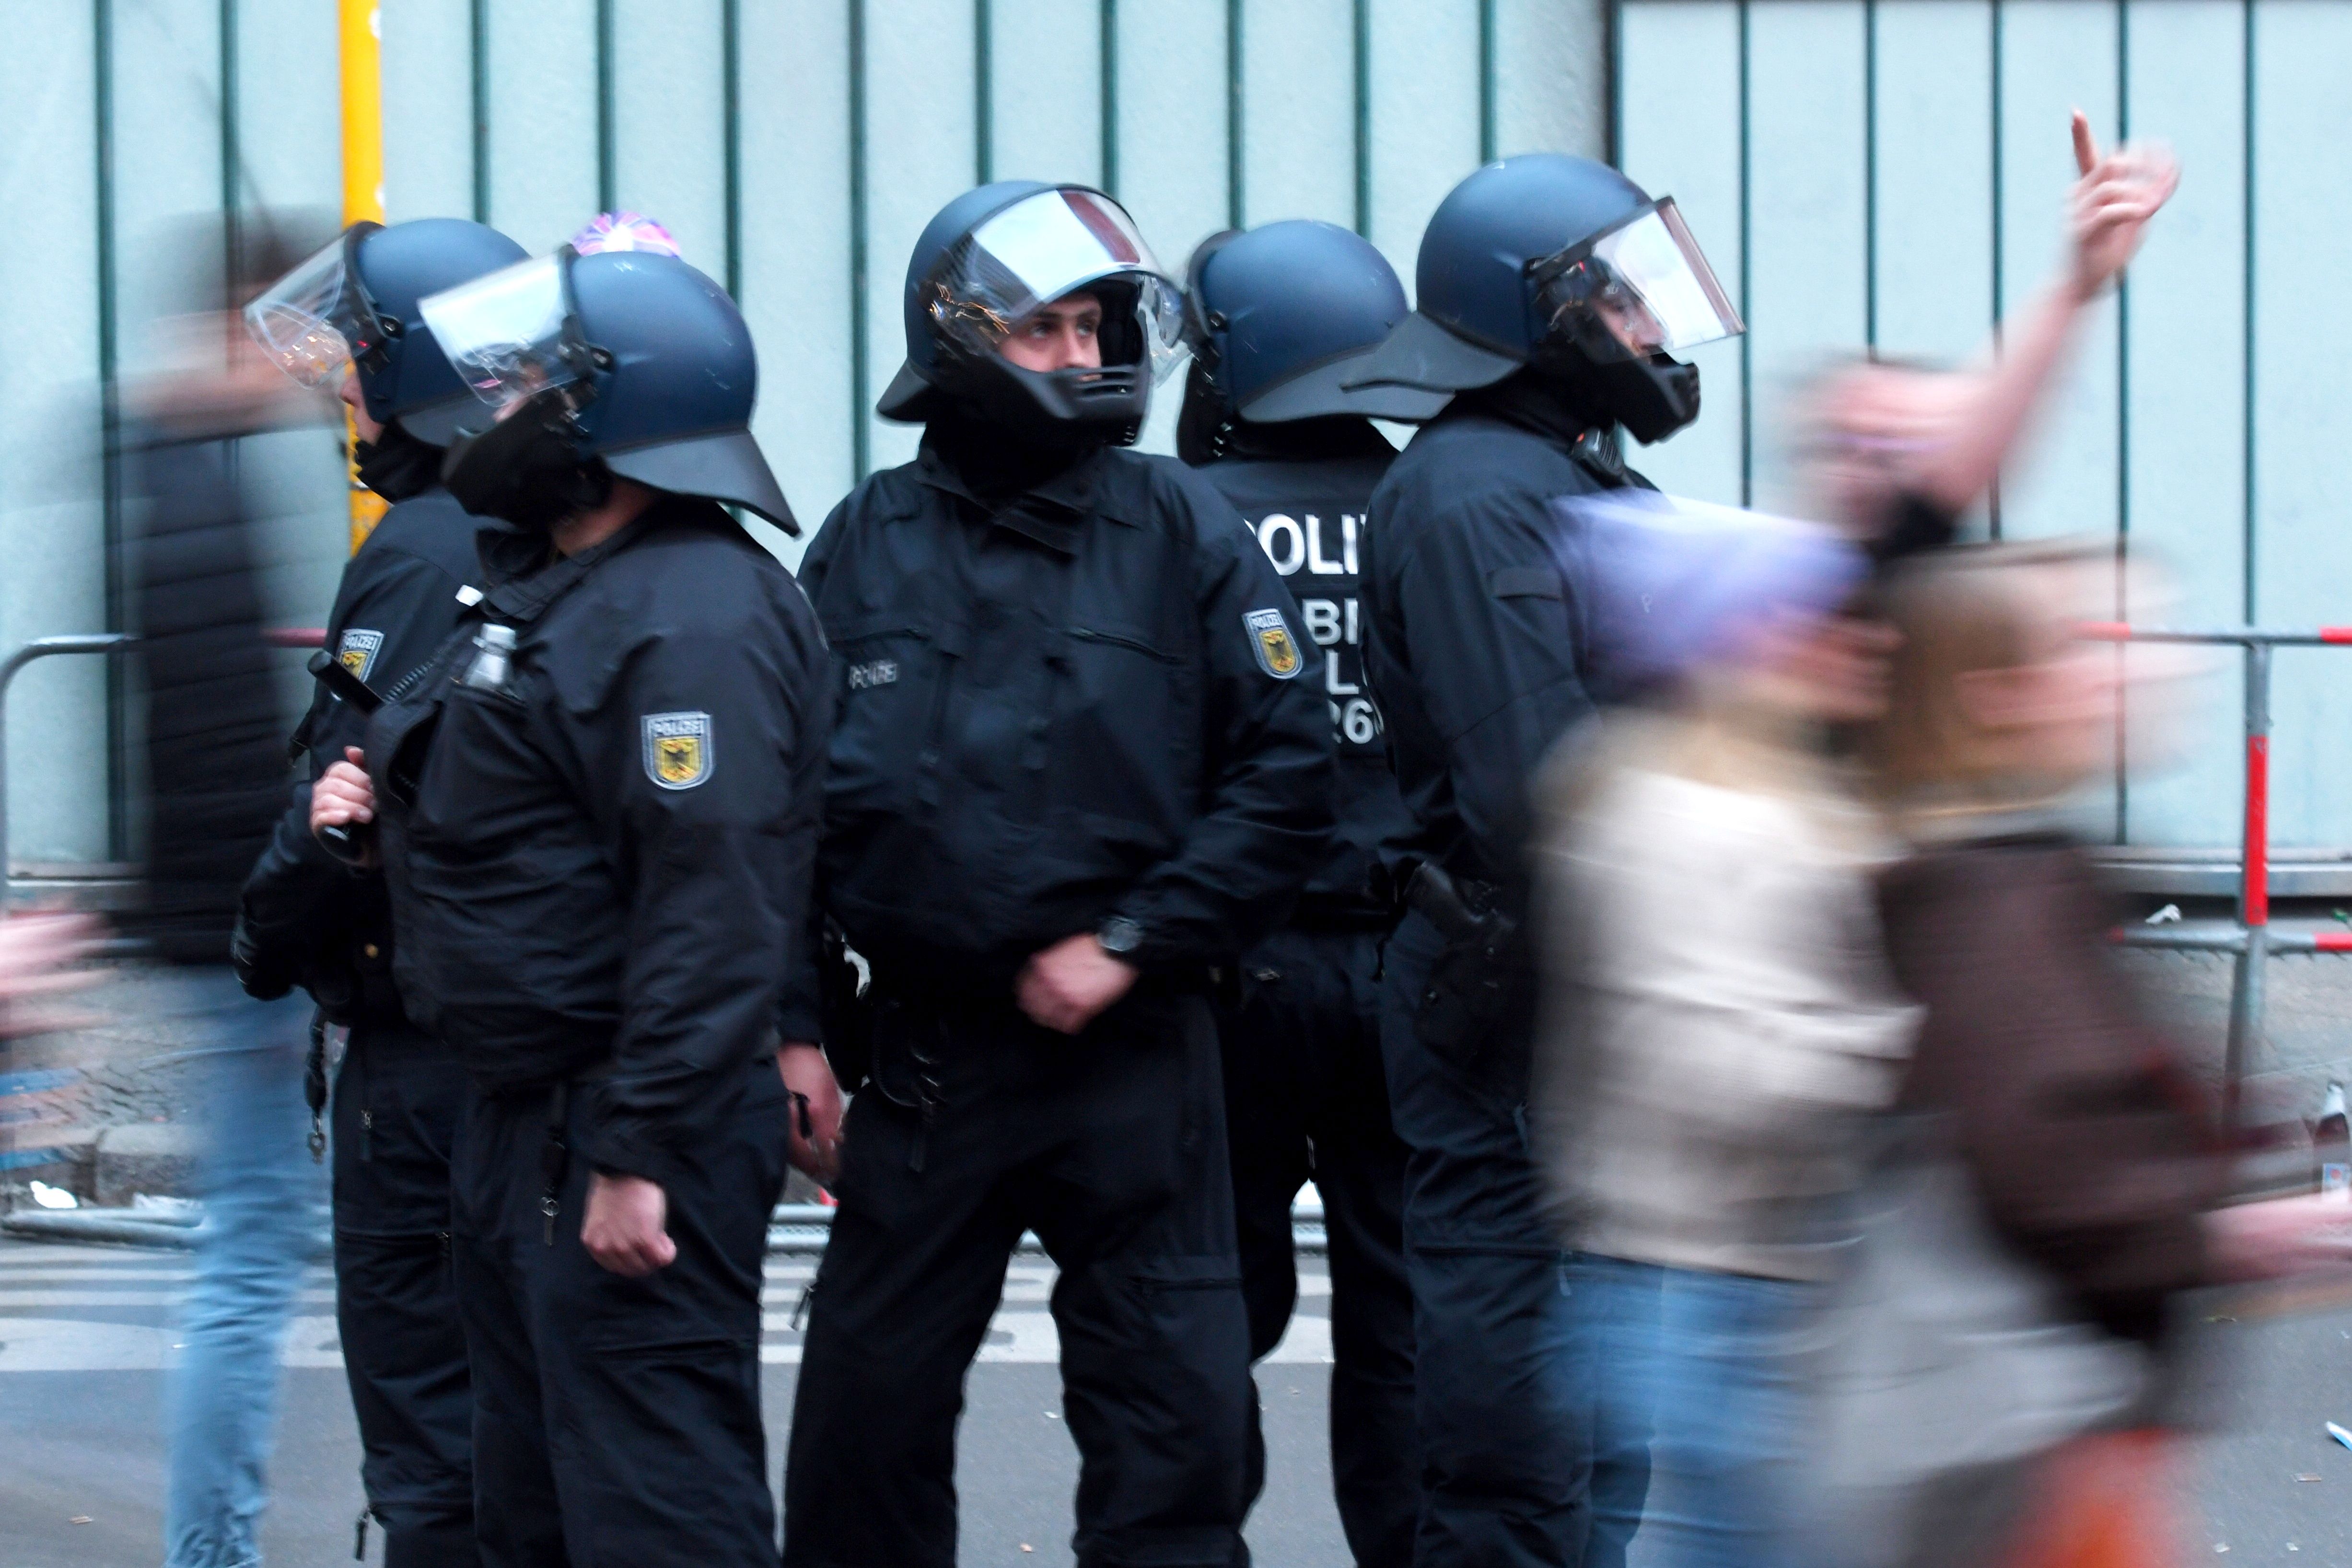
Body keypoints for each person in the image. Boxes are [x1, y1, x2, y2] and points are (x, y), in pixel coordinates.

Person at [782, 180, 1333, 1568]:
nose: (1087, 359)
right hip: (922, 1066)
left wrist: (1133, 938)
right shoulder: (863, 542)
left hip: (1137, 1059)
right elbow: (774, 817)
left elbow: (1287, 777)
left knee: (1175, 1437)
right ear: (960, 338)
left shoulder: (1182, 530)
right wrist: (795, 1029)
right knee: (862, 1428)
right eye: (1047, 329)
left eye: (1098, 326)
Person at [307, 244, 834, 1568]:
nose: (501, 403)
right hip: (526, 1121)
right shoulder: (568, 584)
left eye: (533, 379)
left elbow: (710, 907)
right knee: (532, 1502)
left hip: (618, 1125)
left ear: (614, 409)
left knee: (657, 1507)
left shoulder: (691, 612)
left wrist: (637, 1152)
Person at [1339, 152, 1744, 1568]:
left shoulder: (1567, 476)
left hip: (1598, 996)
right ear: (1538, 314)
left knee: (1603, 1398)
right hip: (1516, 999)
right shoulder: (1472, 498)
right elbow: (1540, 790)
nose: (1653, 332)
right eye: (1625, 303)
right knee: (1518, 1416)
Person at [1852, 543, 2352, 1568]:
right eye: (2095, 643)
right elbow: (2048, 1171)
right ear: (1995, 697)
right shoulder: (1992, 894)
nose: (2153, 663)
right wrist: (2272, 1229)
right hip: (2033, 1451)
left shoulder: (2010, 866)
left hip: (2049, 1441)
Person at [1529, 494, 1917, 1568]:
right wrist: (1896, 1050)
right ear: (1737, 641)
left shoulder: (1761, 802)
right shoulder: (1680, 819)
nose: (1863, 639)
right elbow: (1713, 1065)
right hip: (1699, 1288)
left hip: (1735, 1277)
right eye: (1823, 618)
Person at [235, 214, 530, 1568]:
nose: (339, 388)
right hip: (518, 1048)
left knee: (434, 1447)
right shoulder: (539, 523)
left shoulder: (422, 544)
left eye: (358, 360)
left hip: (422, 1060)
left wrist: (269, 910)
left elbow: (347, 798)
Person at [1177, 218, 1444, 1568]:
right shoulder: (1433, 503)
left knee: (1207, 1298)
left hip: (1230, 971)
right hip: (1410, 962)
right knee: (1403, 1313)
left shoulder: (1181, 519)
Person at [122, 214, 337, 1568]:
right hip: (239, 925)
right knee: (252, 1252)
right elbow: (234, 738)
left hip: (203, 917)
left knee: (238, 1239)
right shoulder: (230, 484)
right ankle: (212, 1546)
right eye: (295, 331)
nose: (313, 363)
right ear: (244, 326)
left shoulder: (150, 461)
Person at [1807, 112, 2177, 558]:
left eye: (1889, 446)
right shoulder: (1766, 577)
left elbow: (1956, 468)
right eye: (1848, 442)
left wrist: (2078, 285)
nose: (1864, 463)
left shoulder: (1911, 560)